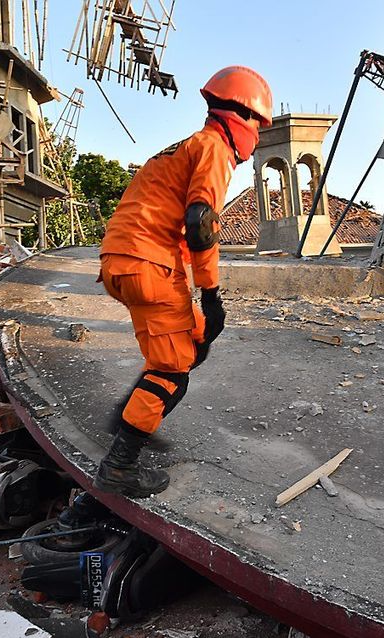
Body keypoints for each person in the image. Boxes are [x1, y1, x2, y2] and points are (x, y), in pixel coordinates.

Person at [93, 66, 273, 498]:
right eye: (259, 125)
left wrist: (204, 309)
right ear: (244, 116)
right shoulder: (214, 149)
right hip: (149, 265)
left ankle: (129, 418)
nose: (258, 136)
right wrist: (212, 294)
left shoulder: (181, 147)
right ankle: (120, 465)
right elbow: (201, 225)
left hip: (122, 263)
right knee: (173, 372)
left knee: (192, 338)